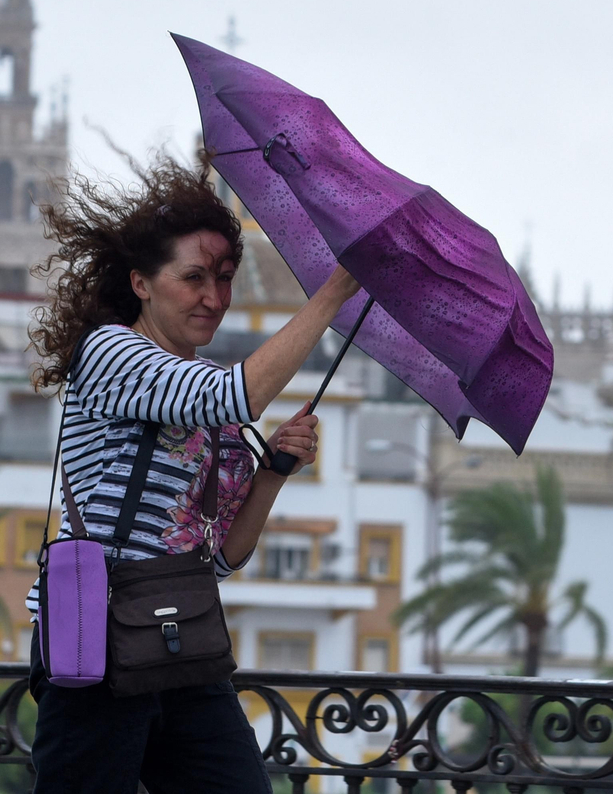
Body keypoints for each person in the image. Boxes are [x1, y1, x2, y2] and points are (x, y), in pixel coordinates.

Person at [26, 163, 362, 794]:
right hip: (98, 642)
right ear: (141, 284)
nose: (214, 296)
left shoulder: (203, 395)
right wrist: (333, 293)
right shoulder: (110, 353)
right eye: (194, 277)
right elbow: (240, 394)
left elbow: (223, 557)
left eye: (225, 279)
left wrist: (272, 474)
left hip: (184, 644)